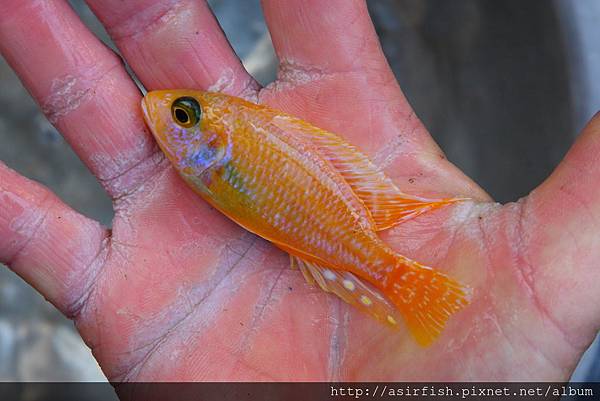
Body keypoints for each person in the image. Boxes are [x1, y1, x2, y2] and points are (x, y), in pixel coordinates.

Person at [0, 0, 598, 382]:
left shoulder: (214, 157)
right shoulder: (210, 156)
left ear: (210, 135)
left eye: (184, 114)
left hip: (336, 234)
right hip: (329, 228)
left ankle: (397, 282)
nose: (162, 114)